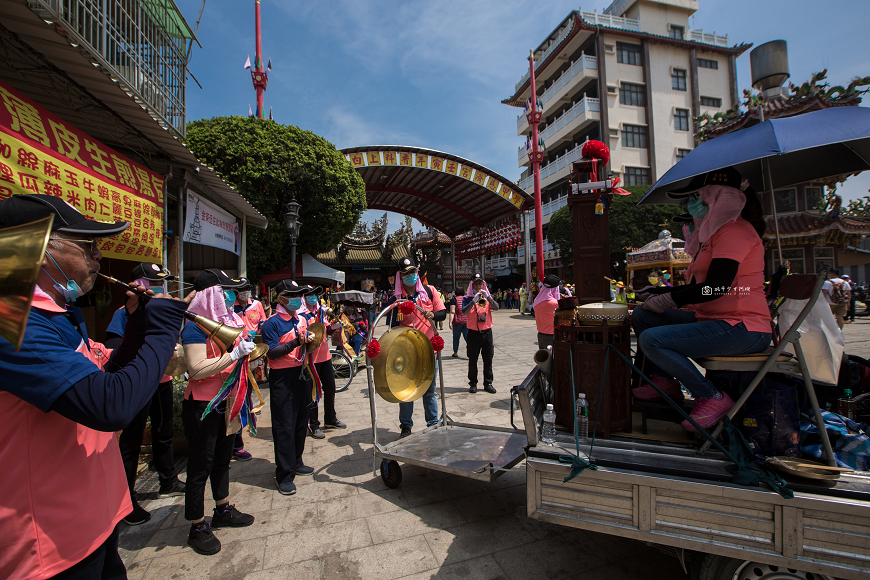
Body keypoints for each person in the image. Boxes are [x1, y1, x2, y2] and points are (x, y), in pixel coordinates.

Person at [0, 194, 190, 579]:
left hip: (95, 519)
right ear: (37, 248)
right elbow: (110, 406)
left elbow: (108, 374)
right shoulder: (11, 322)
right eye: (87, 246)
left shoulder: (59, 315)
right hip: (50, 544)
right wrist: (162, 330)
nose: (98, 257)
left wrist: (137, 332)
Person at [631, 167, 772, 431]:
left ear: (718, 198)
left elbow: (716, 288)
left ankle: (711, 396)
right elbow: (699, 288)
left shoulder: (734, 231)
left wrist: (669, 299)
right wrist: (659, 294)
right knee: (643, 316)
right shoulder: (711, 236)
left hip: (742, 326)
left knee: (653, 340)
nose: (693, 204)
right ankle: (666, 381)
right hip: (712, 318)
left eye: (698, 196)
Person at [180, 269, 256, 555]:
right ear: (210, 294)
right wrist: (233, 355)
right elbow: (196, 368)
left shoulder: (227, 322)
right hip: (203, 405)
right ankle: (197, 525)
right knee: (200, 466)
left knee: (223, 459)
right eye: (225, 290)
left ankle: (222, 508)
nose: (231, 295)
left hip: (228, 401)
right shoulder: (195, 327)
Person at [108, 263, 186, 526]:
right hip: (136, 382)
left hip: (162, 379)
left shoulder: (161, 310)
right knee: (130, 441)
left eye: (163, 283)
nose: (161, 288)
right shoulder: (123, 313)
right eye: (155, 283)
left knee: (164, 432)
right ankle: (126, 498)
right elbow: (113, 346)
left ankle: (168, 479)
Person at [261, 280, 316, 497]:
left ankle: (297, 460)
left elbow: (307, 342)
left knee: (302, 419)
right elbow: (272, 353)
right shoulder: (271, 324)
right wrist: (296, 342)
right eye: (292, 295)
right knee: (284, 424)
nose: (297, 299)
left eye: (298, 295)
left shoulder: (301, 319)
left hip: (301, 372)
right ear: (281, 298)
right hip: (282, 376)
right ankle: (284, 474)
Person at [386, 256, 446, 437]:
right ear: (400, 276)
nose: (410, 276)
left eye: (412, 272)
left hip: (429, 350)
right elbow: (392, 326)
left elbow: (442, 313)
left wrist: (433, 314)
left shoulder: (430, 291)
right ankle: (406, 426)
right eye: (405, 273)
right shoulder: (397, 299)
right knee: (406, 390)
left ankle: (433, 424)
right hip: (407, 352)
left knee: (430, 390)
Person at [303, 285, 347, 440]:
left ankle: (330, 418)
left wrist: (334, 327)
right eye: (310, 294)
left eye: (315, 294)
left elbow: (326, 330)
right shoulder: (301, 315)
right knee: (313, 392)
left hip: (325, 355)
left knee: (330, 388)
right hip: (310, 359)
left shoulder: (320, 312)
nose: (313, 297)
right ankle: (313, 424)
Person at [230, 279, 267, 460]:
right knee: (234, 398)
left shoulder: (257, 305)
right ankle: (234, 444)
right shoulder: (230, 307)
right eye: (241, 290)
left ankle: (237, 442)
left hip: (252, 353)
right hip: (233, 357)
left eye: (247, 289)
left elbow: (262, 324)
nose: (245, 293)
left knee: (246, 393)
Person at [463, 273, 499, 393]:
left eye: (480, 283)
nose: (478, 285)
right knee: (472, 359)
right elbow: (464, 312)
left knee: (488, 358)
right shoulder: (467, 298)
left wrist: (487, 297)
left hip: (487, 332)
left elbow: (496, 307)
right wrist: (473, 301)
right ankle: (473, 383)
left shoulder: (487, 297)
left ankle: (488, 383)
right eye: (476, 283)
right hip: (473, 333)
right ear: (471, 285)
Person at [533, 275, 562, 351]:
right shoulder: (555, 304)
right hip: (551, 337)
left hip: (541, 335)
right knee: (552, 361)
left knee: (544, 361)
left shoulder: (537, 301)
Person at [448, 284, 468, 358]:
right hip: (466, 321)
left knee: (456, 338)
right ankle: (471, 352)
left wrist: (450, 322)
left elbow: (452, 312)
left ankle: (455, 353)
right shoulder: (466, 299)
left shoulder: (453, 300)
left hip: (457, 322)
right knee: (467, 337)